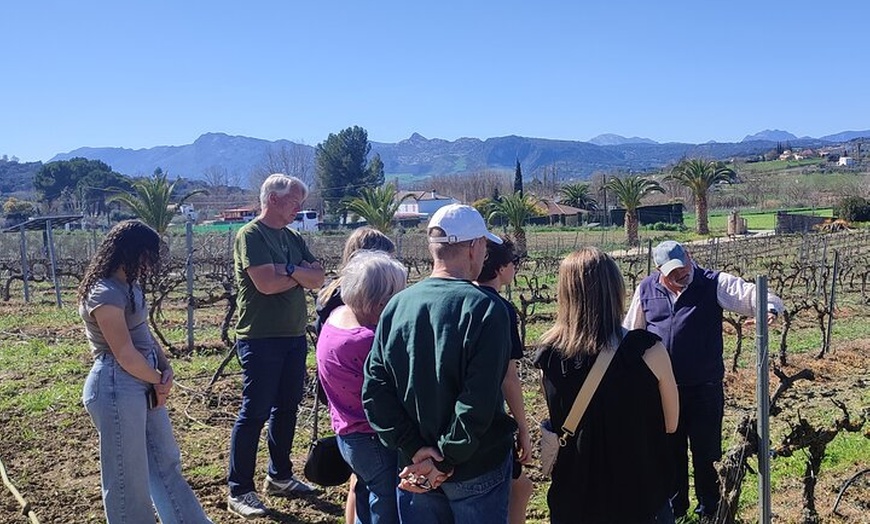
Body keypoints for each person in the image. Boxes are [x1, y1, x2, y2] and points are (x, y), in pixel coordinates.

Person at [362, 204, 517, 524]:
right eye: (485, 246)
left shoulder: (397, 305)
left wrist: (415, 448)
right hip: (475, 468)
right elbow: (479, 398)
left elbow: (374, 390)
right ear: (475, 247)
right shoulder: (488, 309)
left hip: (414, 471)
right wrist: (445, 459)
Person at [623, 240, 783, 520]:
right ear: (660, 270)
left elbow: (751, 294)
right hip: (662, 390)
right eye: (672, 272)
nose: (680, 275)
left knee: (707, 452)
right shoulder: (647, 289)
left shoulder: (713, 282)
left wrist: (769, 308)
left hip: (703, 388)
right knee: (669, 450)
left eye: (683, 267)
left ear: (689, 257)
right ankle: (676, 509)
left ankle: (710, 507)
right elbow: (630, 330)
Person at [79, 220, 212, 524]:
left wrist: (164, 367)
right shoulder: (104, 291)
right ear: (130, 251)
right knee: (128, 478)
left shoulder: (129, 286)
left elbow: (143, 333)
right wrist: (158, 380)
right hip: (116, 385)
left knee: (165, 462)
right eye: (146, 255)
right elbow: (124, 353)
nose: (150, 263)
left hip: (141, 380)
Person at [535, 247, 679, 524]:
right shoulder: (647, 351)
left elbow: (558, 415)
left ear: (565, 295)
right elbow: (671, 424)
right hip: (640, 497)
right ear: (616, 290)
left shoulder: (549, 357)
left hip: (574, 499)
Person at [227, 174, 325, 518]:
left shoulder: (293, 237)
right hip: (260, 337)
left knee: (286, 408)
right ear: (272, 199)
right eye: (293, 202)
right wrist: (296, 272)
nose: (299, 209)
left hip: (293, 336)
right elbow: (266, 284)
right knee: (253, 413)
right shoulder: (251, 235)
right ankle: (239, 489)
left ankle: (280, 476)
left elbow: (318, 277)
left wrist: (289, 269)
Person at [316, 251, 408, 524]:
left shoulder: (336, 317)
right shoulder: (367, 340)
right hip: (373, 437)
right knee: (386, 505)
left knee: (367, 496)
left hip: (347, 433)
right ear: (380, 303)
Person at [475, 236, 534, 524]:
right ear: (500, 269)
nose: (515, 268)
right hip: (488, 422)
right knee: (516, 489)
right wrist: (522, 426)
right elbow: (508, 377)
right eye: (514, 263)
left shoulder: (462, 299)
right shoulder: (500, 309)